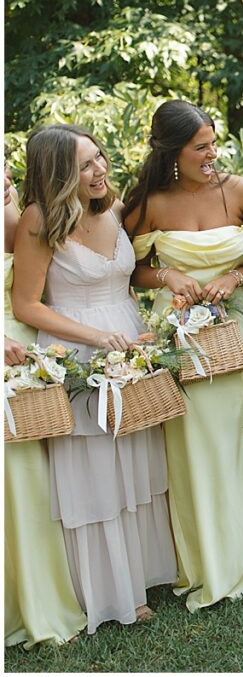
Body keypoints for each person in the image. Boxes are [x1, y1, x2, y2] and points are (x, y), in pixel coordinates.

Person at [12, 125, 177, 633]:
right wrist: (94, 336)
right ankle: (106, 592)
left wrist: (146, 327)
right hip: (78, 351)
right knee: (96, 472)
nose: (99, 170)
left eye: (99, 157)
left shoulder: (111, 206)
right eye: (85, 166)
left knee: (134, 462)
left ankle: (143, 575)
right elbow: (27, 304)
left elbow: (128, 282)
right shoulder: (39, 220)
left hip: (129, 343)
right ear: (59, 173)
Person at [125, 100, 243, 611]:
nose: (213, 155)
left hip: (240, 326)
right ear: (173, 152)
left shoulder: (239, 192)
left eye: (214, 143)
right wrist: (168, 276)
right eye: (201, 148)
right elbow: (125, 269)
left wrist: (235, 276)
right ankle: (207, 558)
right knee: (194, 445)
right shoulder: (148, 203)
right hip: (180, 334)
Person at [4, 162, 88, 647]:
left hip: (27, 354)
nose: (7, 174)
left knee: (35, 481)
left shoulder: (14, 213)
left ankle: (43, 594)